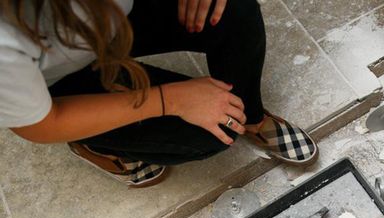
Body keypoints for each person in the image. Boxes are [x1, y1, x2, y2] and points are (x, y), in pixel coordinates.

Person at [0, 0, 318, 187]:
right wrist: (172, 100)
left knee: (233, 9)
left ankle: (251, 118)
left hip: (115, 17)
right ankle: (93, 142)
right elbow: (38, 125)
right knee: (207, 134)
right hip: (57, 82)